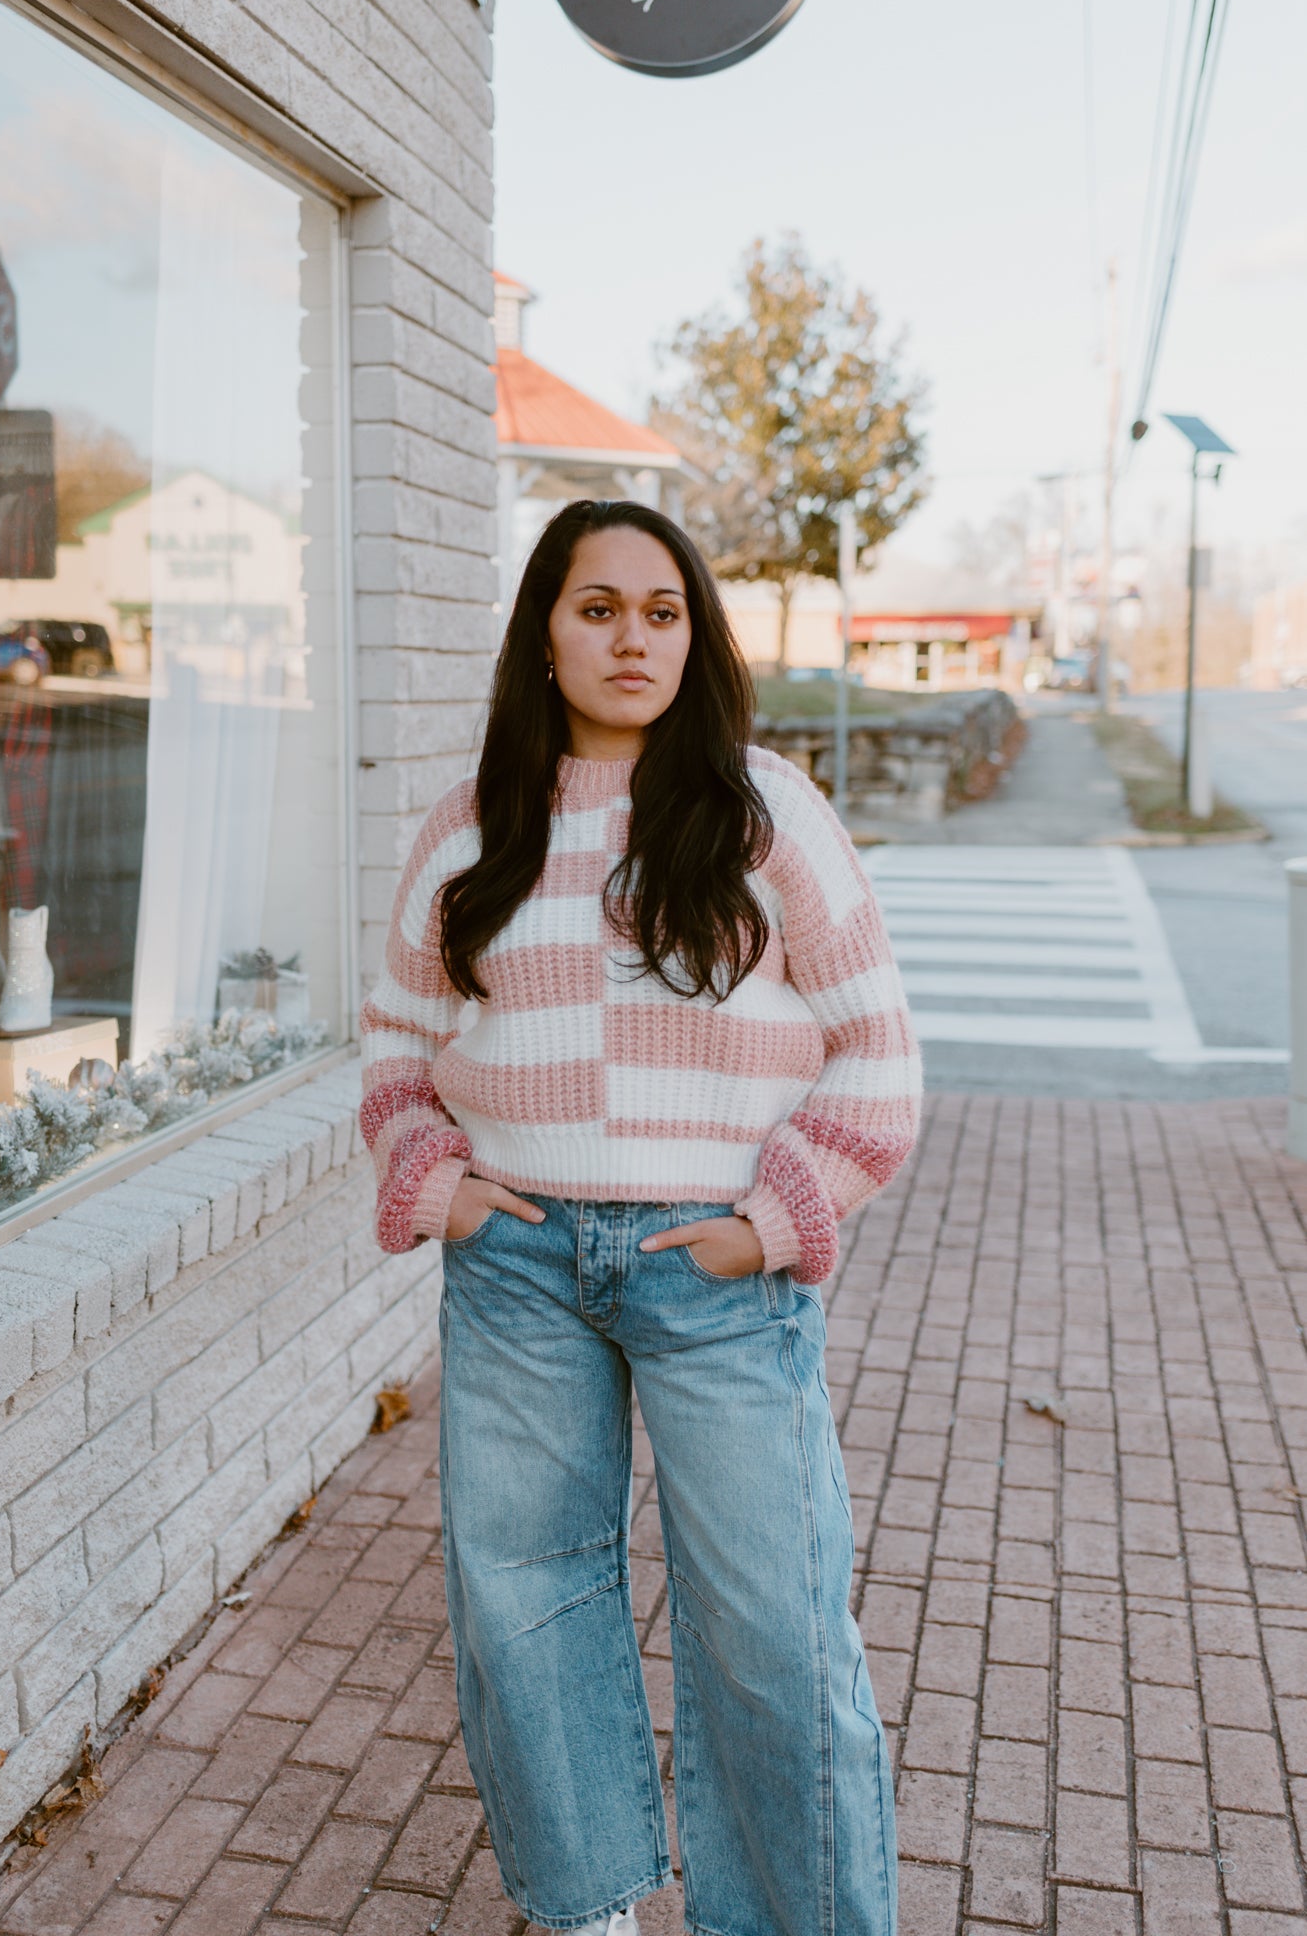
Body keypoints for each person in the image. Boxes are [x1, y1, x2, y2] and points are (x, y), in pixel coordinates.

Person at [360, 500, 920, 1936]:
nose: (631, 638)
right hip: (520, 1266)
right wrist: (440, 1184)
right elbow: (394, 1047)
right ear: (544, 631)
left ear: (698, 638)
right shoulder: (472, 827)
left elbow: (879, 1054)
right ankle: (592, 1909)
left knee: (778, 1636)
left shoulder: (762, 809)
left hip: (718, 1268)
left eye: (662, 611)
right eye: (597, 607)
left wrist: (781, 1217)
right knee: (522, 1605)